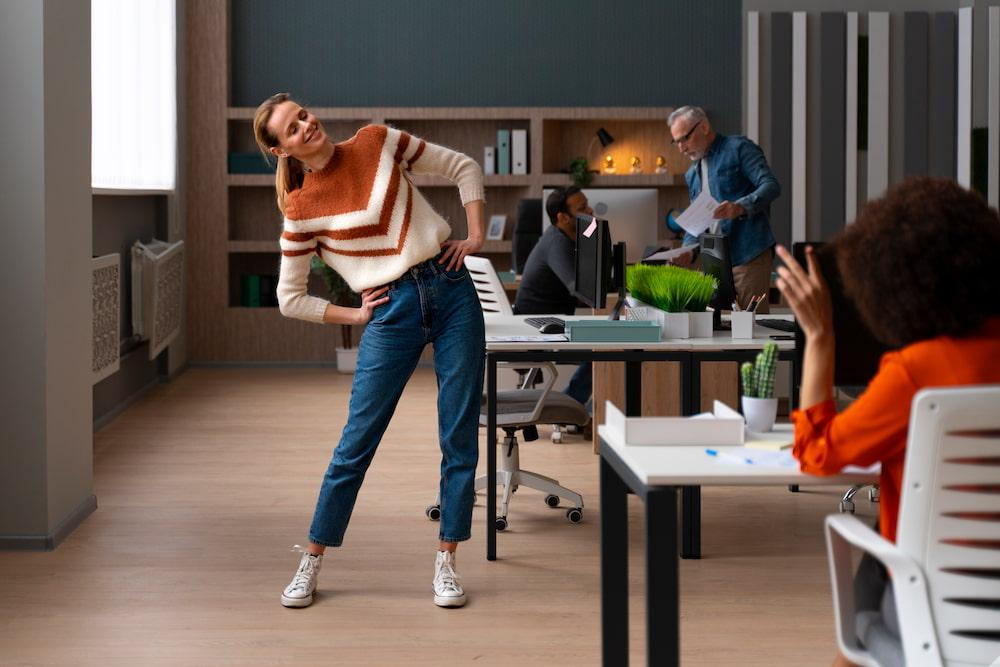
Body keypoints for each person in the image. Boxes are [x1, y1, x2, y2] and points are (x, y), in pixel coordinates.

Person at [253, 93, 486, 609]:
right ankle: (312, 558)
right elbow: (289, 299)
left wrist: (475, 234)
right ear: (280, 150)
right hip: (391, 312)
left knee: (459, 432)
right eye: (291, 129)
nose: (306, 126)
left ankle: (447, 561)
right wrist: (354, 316)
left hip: (452, 291)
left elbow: (463, 166)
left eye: (304, 115)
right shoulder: (302, 208)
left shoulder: (376, 142)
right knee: (356, 442)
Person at [776, 177, 1000, 667]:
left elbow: (818, 455)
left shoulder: (917, 373)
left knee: (868, 587)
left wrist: (820, 336)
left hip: (939, 614)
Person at [668, 106, 781, 312]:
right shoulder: (692, 174)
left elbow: (770, 186)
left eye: (684, 138)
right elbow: (698, 222)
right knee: (716, 330)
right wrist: (686, 252)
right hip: (714, 260)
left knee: (750, 330)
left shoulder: (738, 148)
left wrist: (740, 207)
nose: (682, 148)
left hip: (748, 255)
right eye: (676, 142)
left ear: (703, 126)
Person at [514, 186, 594, 410]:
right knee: (607, 347)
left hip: (545, 324)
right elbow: (577, 288)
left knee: (609, 343)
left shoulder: (563, 236)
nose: (590, 210)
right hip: (540, 330)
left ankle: (574, 404)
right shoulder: (558, 242)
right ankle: (570, 404)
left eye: (587, 203)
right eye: (582, 208)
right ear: (563, 217)